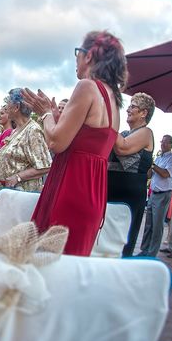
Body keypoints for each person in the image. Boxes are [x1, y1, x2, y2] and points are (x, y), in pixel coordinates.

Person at [24, 30, 125, 256]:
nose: (76, 60)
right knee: (69, 269)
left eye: (77, 53)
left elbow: (57, 142)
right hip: (93, 193)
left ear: (88, 56)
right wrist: (56, 118)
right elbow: (89, 141)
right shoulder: (114, 101)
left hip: (71, 187)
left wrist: (44, 115)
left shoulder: (87, 87)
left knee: (48, 264)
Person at [0, 88, 51, 195]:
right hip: (5, 194)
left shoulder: (32, 130)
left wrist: (18, 177)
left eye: (8, 103)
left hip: (19, 197)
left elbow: (46, 166)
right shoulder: (15, 131)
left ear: (17, 107)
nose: (6, 107)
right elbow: (11, 164)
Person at [107, 92, 155, 257]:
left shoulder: (146, 133)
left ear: (144, 113)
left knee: (122, 243)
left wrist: (110, 114)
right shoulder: (125, 133)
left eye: (133, 106)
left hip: (129, 197)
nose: (128, 109)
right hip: (111, 192)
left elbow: (122, 148)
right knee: (106, 240)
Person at [138, 135, 172, 257]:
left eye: (165, 142)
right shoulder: (159, 158)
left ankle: (152, 252)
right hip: (153, 193)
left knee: (157, 225)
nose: (162, 144)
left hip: (163, 195)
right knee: (149, 224)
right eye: (161, 141)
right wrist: (150, 167)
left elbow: (166, 174)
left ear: (171, 144)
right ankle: (144, 249)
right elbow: (150, 175)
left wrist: (153, 166)